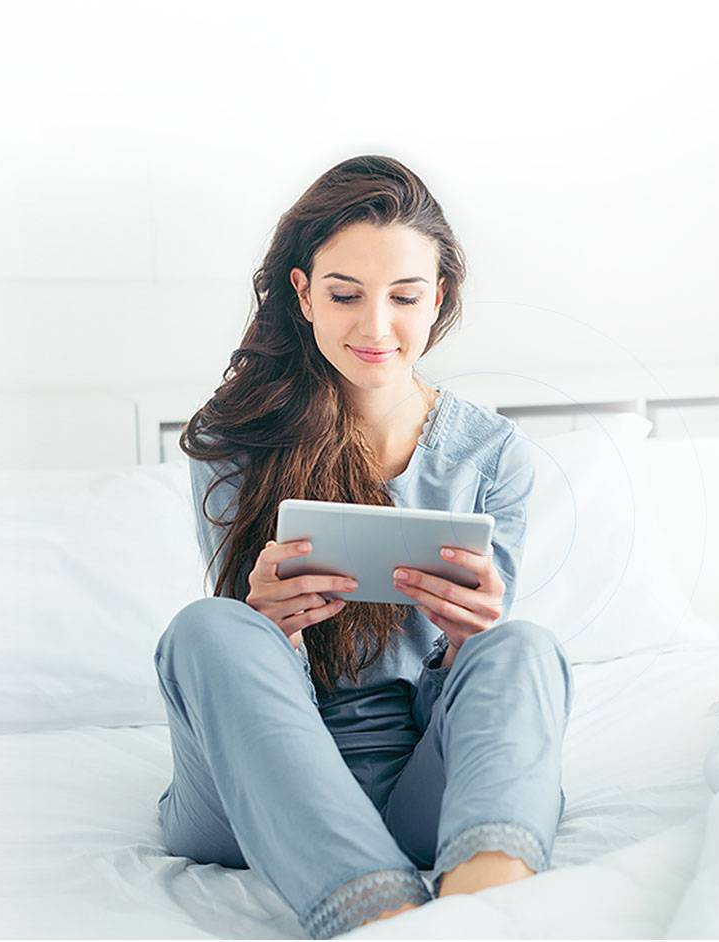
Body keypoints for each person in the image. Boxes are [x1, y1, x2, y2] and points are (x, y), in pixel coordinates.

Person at [153, 154, 574, 939]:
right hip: (253, 796)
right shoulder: (232, 440)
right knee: (208, 629)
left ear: (438, 295)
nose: (376, 327)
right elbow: (236, 676)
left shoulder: (492, 455)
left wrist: (462, 639)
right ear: (303, 293)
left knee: (521, 647)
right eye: (345, 294)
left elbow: (479, 680)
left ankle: (481, 913)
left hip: (423, 785)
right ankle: (377, 913)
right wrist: (264, 619)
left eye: (405, 296)